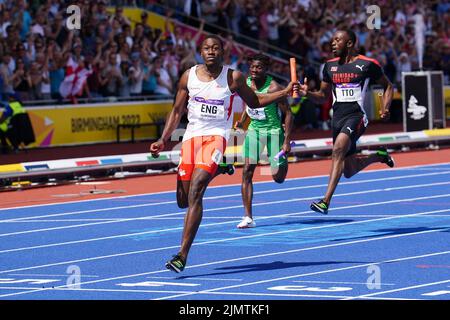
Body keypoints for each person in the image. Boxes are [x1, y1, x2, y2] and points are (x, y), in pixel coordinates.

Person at [150, 35, 297, 273]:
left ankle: (182, 255)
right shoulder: (188, 76)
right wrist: (163, 139)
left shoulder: (233, 78)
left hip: (216, 137)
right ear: (201, 52)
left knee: (197, 189)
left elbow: (257, 101)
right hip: (191, 137)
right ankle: (218, 169)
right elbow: (177, 110)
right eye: (206, 48)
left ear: (222, 52)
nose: (211, 51)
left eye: (215, 48)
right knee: (182, 200)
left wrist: (284, 93)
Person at [297, 30, 394, 215]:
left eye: (337, 40)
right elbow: (322, 96)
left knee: (338, 149)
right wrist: (307, 93)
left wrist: (385, 107)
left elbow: (388, 86)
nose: (332, 43)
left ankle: (325, 201)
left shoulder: (367, 64)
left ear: (349, 43)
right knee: (349, 170)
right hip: (338, 118)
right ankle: (379, 156)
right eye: (332, 39)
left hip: (357, 115)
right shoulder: (329, 66)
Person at [234, 53, 293, 229]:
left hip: (274, 132)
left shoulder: (274, 88)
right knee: (246, 171)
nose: (254, 70)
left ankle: (282, 164)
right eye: (252, 67)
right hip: (254, 130)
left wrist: (287, 141)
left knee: (278, 177)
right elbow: (249, 103)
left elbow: (289, 114)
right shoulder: (245, 83)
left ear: (265, 69)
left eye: (258, 67)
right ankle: (248, 217)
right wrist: (243, 120)